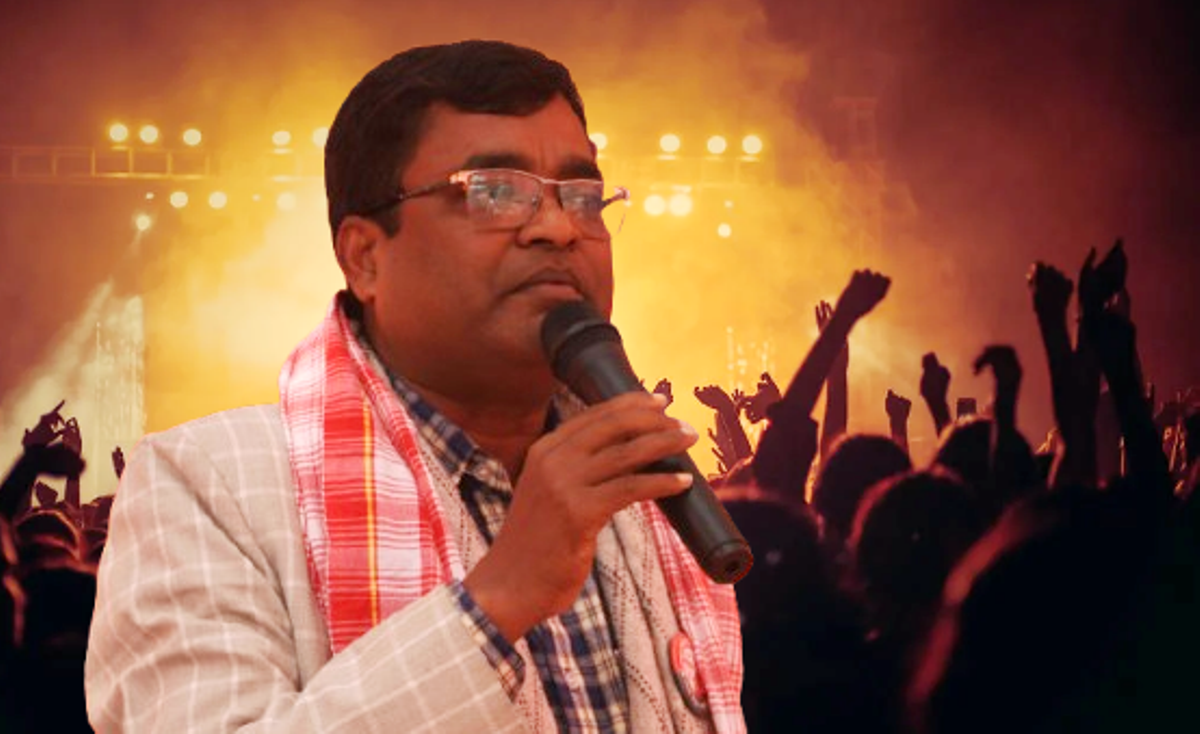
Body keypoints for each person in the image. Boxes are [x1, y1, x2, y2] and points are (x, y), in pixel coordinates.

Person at [85, 40, 743, 733]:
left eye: (582, 197)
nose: (558, 228)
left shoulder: (646, 495)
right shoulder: (208, 484)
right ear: (364, 257)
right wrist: (496, 601)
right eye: (494, 192)